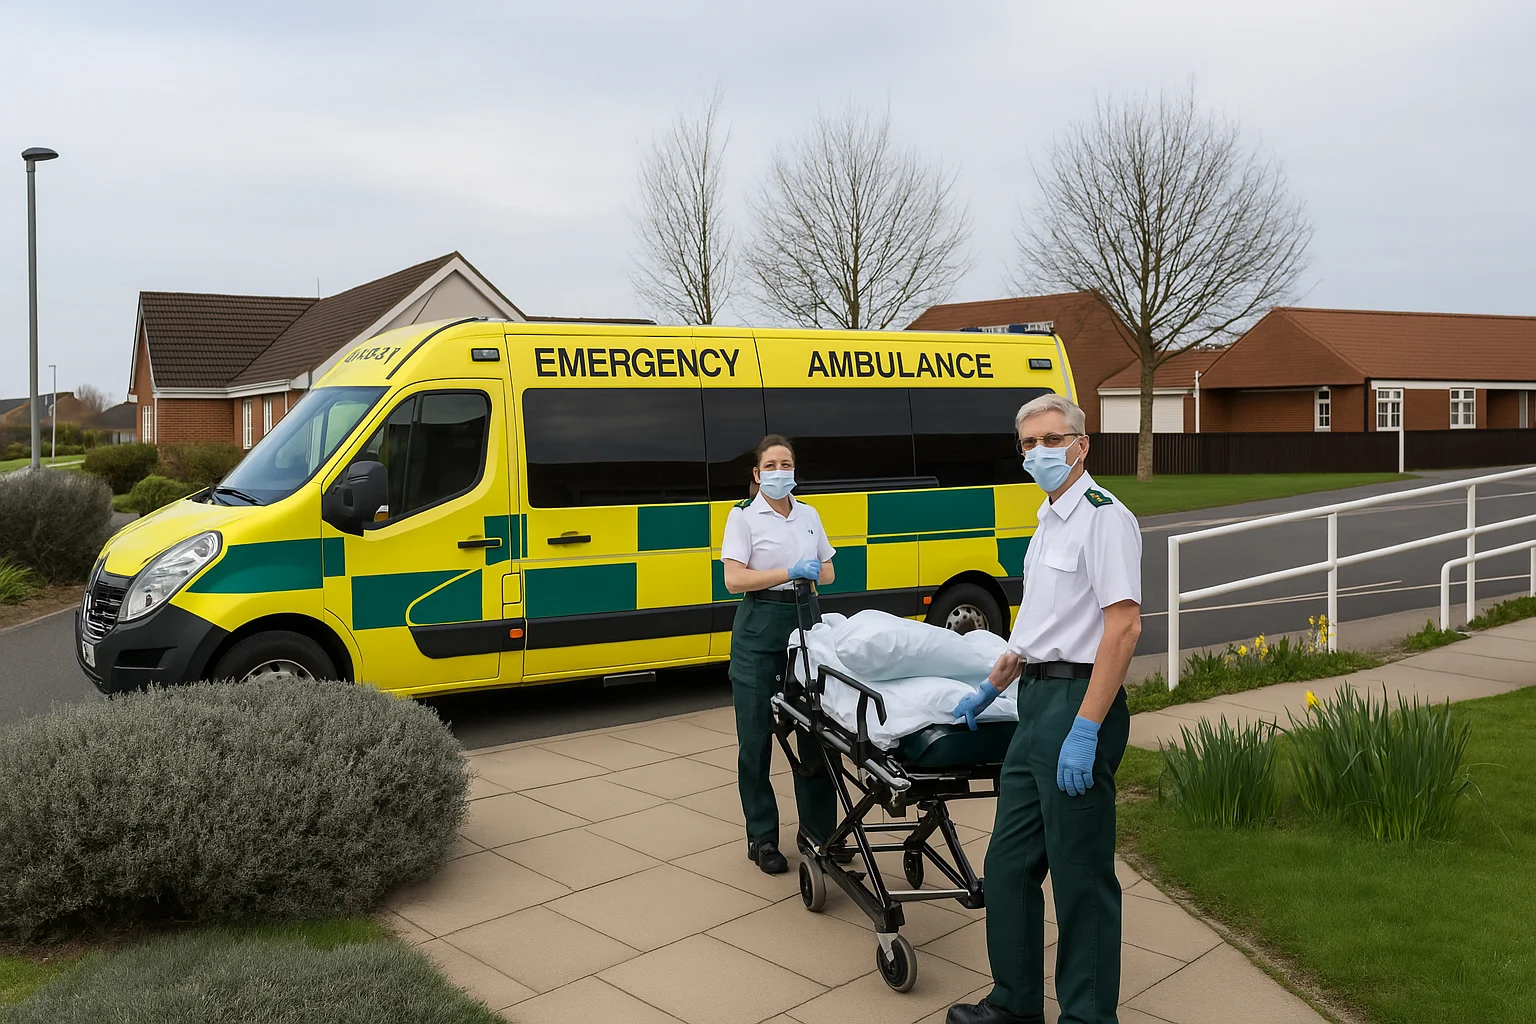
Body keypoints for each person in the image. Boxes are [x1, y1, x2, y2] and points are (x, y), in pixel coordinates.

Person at [946, 394, 1142, 1024]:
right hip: (1034, 703)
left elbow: (1124, 628)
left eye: (1050, 440)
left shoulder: (1103, 518)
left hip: (1078, 703)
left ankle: (1087, 1017)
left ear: (1081, 445)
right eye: (1027, 444)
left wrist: (1087, 726)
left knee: (1080, 874)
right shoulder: (1047, 522)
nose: (1038, 453)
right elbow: (1036, 628)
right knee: (1007, 864)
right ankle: (1014, 1002)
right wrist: (993, 686)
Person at [720, 434, 840, 874]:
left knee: (817, 735)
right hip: (760, 630)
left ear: (795, 470)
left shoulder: (809, 515)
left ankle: (820, 835)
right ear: (756, 475)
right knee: (756, 741)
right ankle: (762, 838)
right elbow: (734, 581)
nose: (778, 472)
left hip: (806, 623)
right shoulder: (743, 518)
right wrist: (787, 571)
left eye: (784, 464)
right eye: (769, 466)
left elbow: (828, 568)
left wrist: (812, 573)